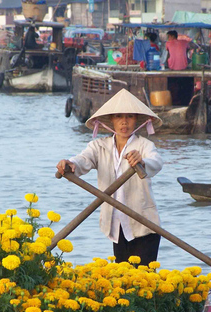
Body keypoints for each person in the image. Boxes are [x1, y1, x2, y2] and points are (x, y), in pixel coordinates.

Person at [56, 89, 163, 265]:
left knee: (145, 283)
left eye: (129, 116)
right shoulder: (99, 146)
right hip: (116, 225)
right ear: (112, 120)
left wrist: (142, 162)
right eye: (119, 116)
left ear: (136, 119)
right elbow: (84, 159)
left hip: (145, 225)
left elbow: (156, 162)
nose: (124, 122)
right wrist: (71, 163)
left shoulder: (144, 145)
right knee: (122, 281)